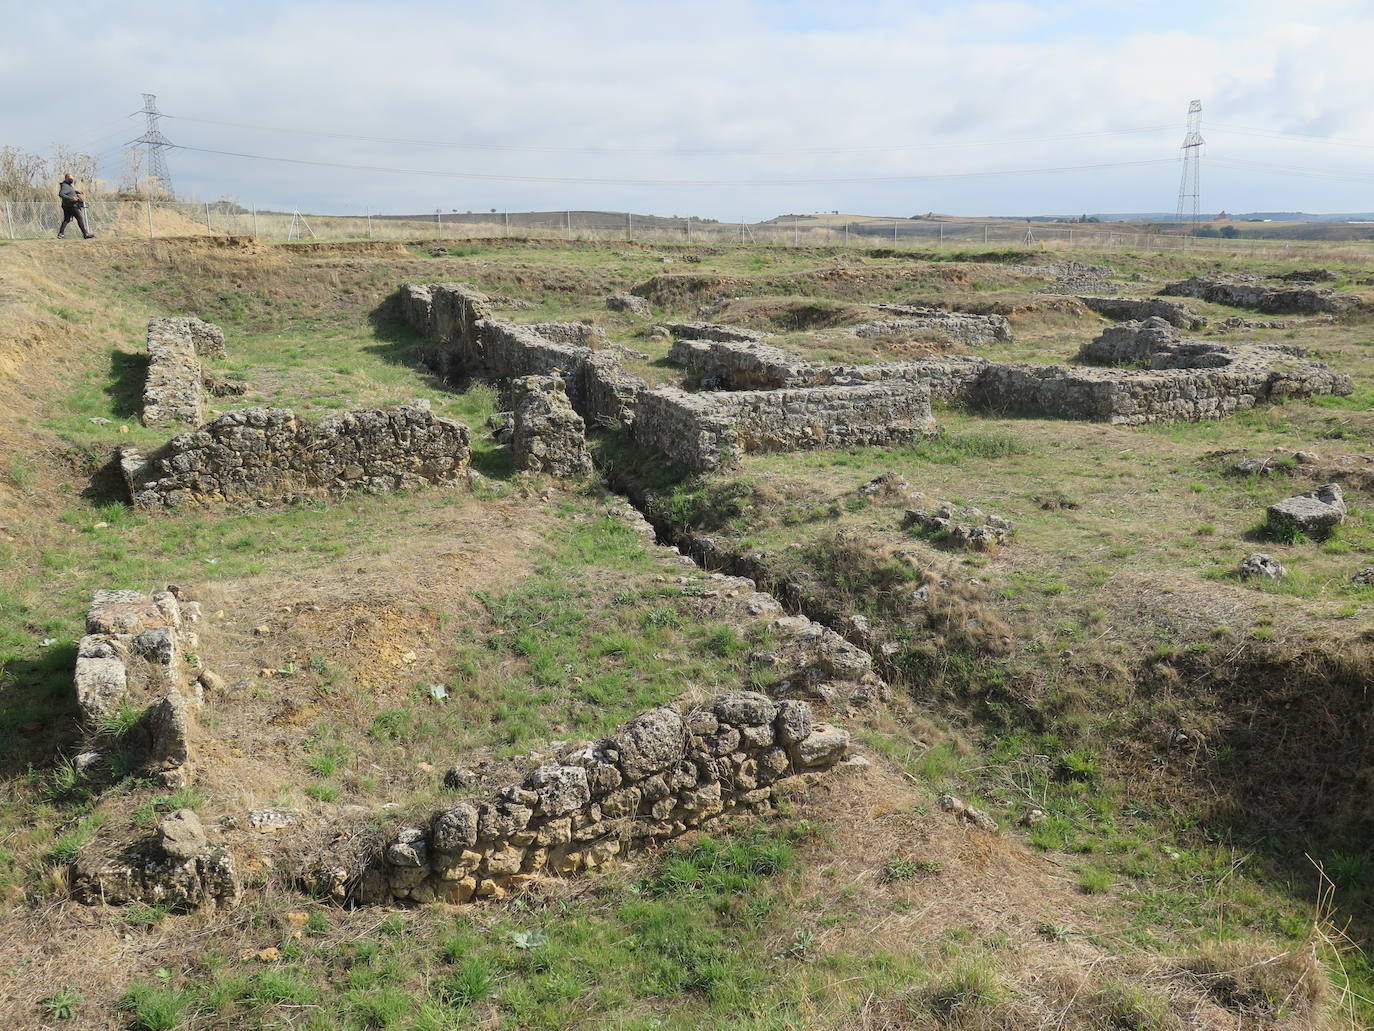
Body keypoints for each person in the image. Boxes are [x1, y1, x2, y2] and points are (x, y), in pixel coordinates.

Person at [57, 174, 95, 239]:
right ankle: (85, 234)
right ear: (66, 179)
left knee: (67, 219)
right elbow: (61, 194)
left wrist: (77, 192)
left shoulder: (68, 185)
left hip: (67, 205)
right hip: (72, 206)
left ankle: (61, 233)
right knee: (79, 218)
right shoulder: (65, 186)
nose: (72, 180)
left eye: (72, 178)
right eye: (70, 179)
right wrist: (71, 198)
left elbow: (69, 192)